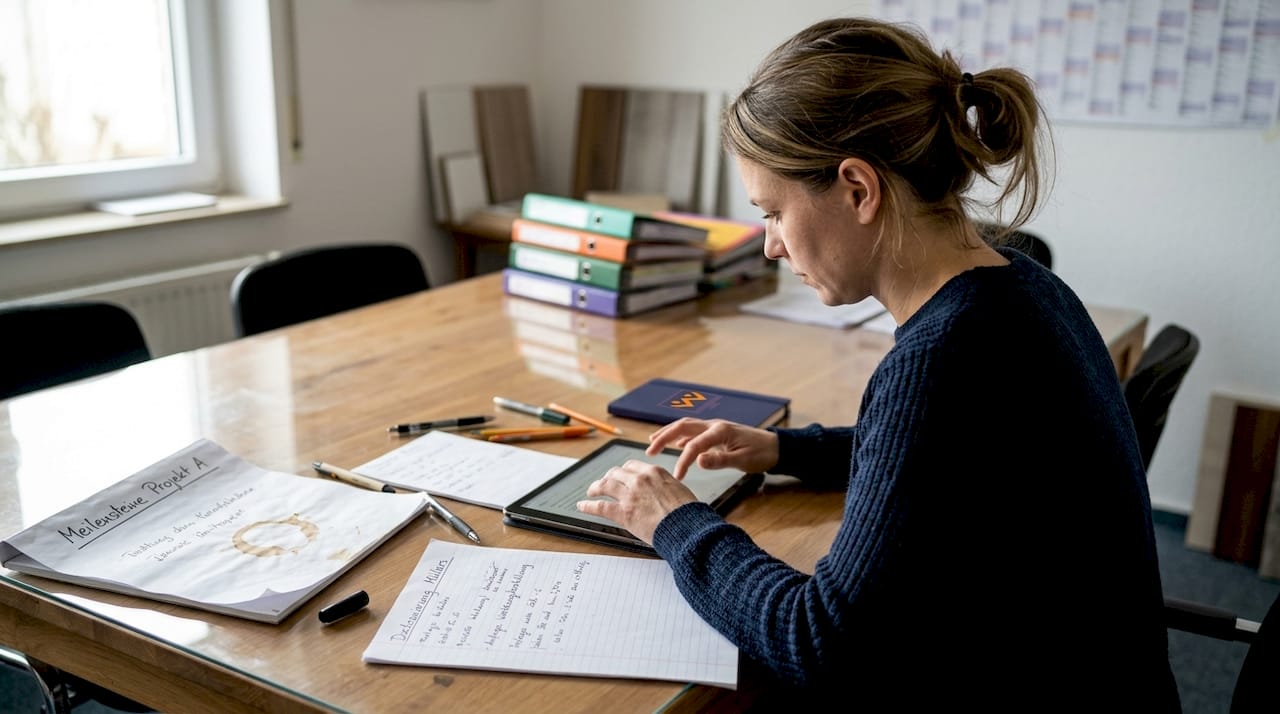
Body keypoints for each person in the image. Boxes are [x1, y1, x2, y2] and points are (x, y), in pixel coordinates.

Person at [576, 16, 1180, 710]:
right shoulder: (1021, 287)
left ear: (858, 189)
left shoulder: (939, 359)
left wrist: (672, 521)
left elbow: (824, 645)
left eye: (772, 212)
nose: (770, 245)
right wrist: (782, 448)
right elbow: (939, 459)